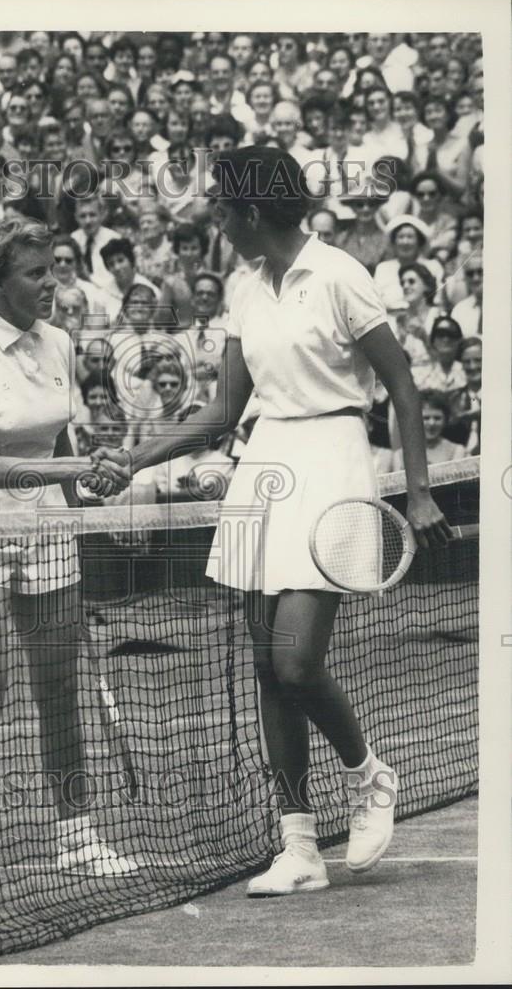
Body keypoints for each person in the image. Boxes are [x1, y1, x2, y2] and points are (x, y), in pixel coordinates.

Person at [92, 146, 452, 896]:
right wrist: (131, 462)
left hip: (333, 460)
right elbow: (222, 413)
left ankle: (367, 774)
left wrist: (415, 492)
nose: (217, 222)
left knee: (294, 660)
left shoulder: (340, 275)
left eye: (222, 210)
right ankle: (297, 844)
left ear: (251, 212)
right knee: (264, 664)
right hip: (266, 465)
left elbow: (401, 387)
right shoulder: (242, 287)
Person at [0, 219, 137, 902]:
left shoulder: (59, 342)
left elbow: (59, 441)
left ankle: (76, 836)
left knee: (57, 692)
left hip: (47, 528)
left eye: (52, 269)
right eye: (34, 274)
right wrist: (83, 464)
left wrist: (92, 508)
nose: (51, 283)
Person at [392, 390, 467, 468]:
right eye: (426, 418)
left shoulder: (457, 451)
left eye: (437, 418)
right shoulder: (400, 456)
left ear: (445, 420)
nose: (432, 423)